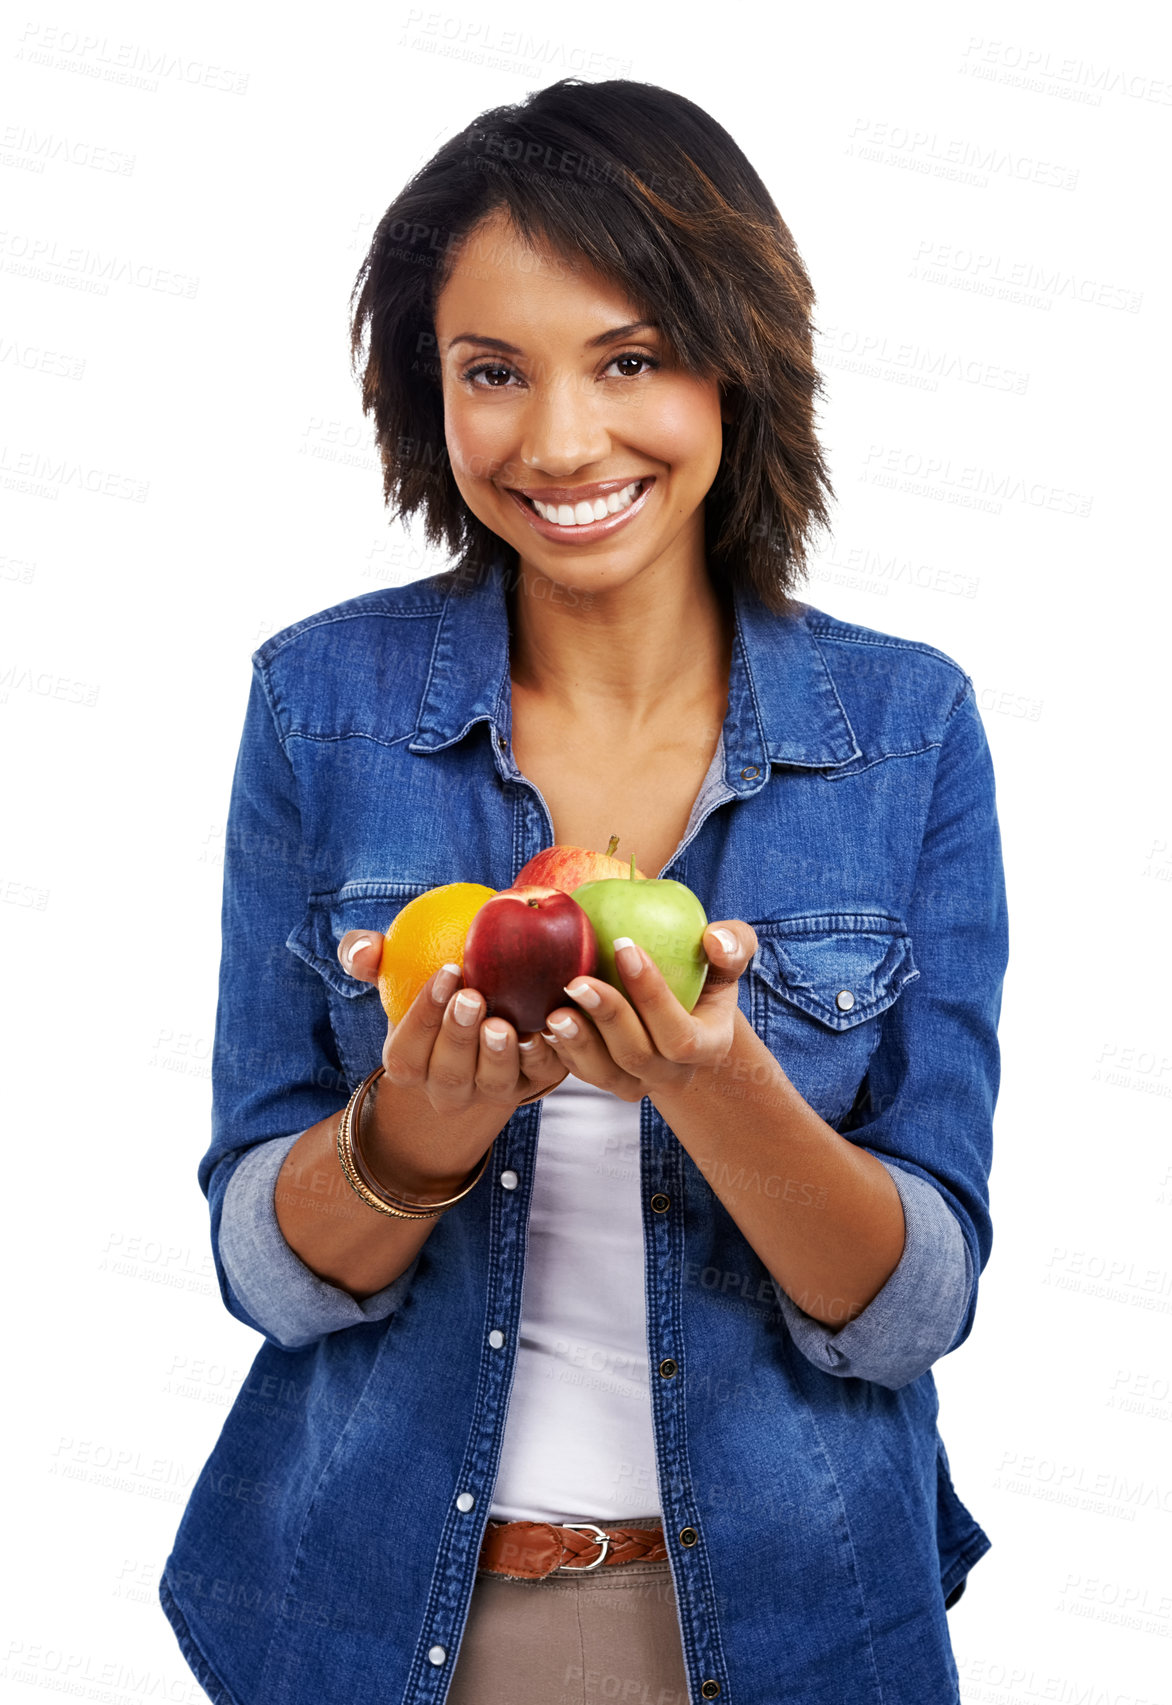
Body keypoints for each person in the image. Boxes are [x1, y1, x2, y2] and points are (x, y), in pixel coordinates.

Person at [160, 78, 1008, 1705]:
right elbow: (256, 1265)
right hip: (370, 1624)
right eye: (494, 372)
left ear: (734, 360)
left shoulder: (908, 732)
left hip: (795, 1629)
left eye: (627, 358)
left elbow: (912, 1310)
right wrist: (415, 1132)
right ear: (433, 395)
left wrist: (722, 1085)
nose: (558, 441)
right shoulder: (317, 703)